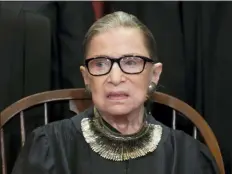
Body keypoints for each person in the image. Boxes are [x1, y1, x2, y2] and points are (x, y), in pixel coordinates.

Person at [11, 11, 219, 174]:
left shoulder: (189, 156)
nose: (116, 78)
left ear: (154, 75)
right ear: (86, 77)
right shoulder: (49, 147)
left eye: (131, 62)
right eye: (101, 64)